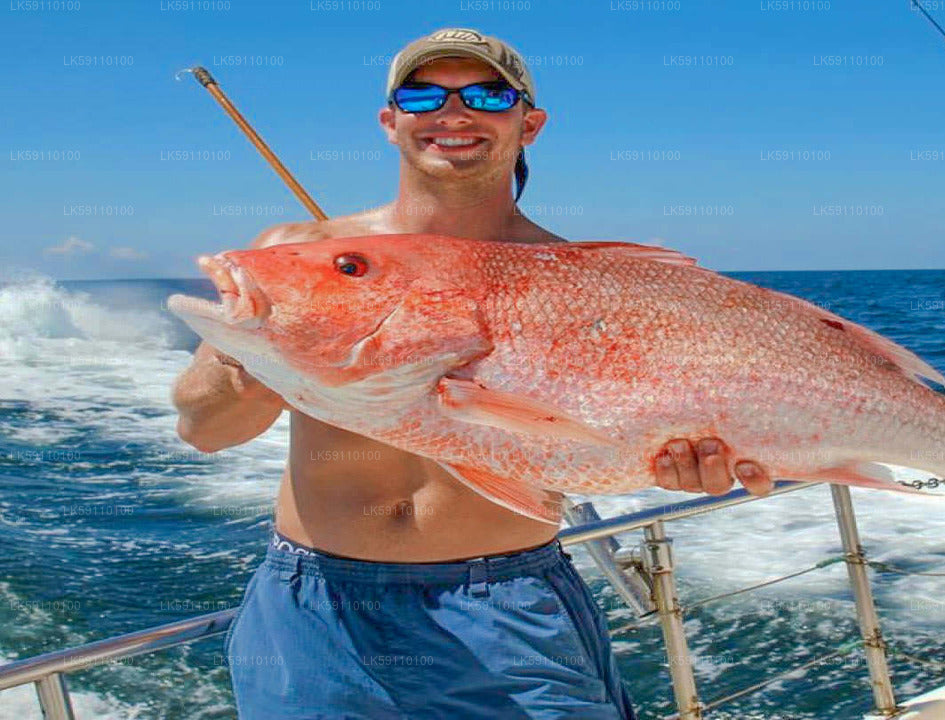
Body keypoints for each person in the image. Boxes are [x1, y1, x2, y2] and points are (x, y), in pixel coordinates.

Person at [171, 27, 775, 719]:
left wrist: (685, 457)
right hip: (316, 607)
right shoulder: (297, 255)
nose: (452, 112)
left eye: (487, 95)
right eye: (423, 95)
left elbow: (620, 428)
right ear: (390, 121)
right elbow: (204, 431)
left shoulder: (585, 281)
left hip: (507, 605)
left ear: (529, 124)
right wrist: (263, 347)